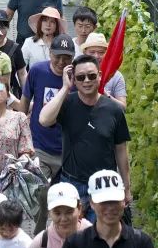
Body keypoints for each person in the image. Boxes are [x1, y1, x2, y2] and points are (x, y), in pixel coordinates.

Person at [38, 57, 132, 206]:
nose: (87, 81)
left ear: (99, 76)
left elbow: (121, 150)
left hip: (104, 185)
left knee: (102, 222)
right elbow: (44, 120)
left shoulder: (114, 110)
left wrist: (126, 187)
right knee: (71, 222)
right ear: (74, 80)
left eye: (91, 76)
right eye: (81, 77)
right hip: (72, 183)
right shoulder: (67, 103)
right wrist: (65, 88)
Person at [15, 32, 75, 182]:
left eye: (66, 58)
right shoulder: (37, 70)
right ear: (50, 53)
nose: (61, 62)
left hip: (68, 150)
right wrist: (20, 134)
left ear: (73, 58)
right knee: (37, 191)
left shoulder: (78, 77)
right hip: (39, 146)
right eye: (57, 56)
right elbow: (25, 101)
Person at [83, 30, 127, 105]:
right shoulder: (77, 73)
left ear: (107, 54)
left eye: (101, 52)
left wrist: (105, 94)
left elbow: (123, 107)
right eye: (92, 52)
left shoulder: (116, 76)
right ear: (85, 53)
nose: (96, 56)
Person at [21, 7, 66, 71]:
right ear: (40, 23)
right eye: (45, 20)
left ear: (57, 25)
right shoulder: (29, 42)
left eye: (52, 22)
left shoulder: (62, 44)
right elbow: (21, 69)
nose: (48, 24)